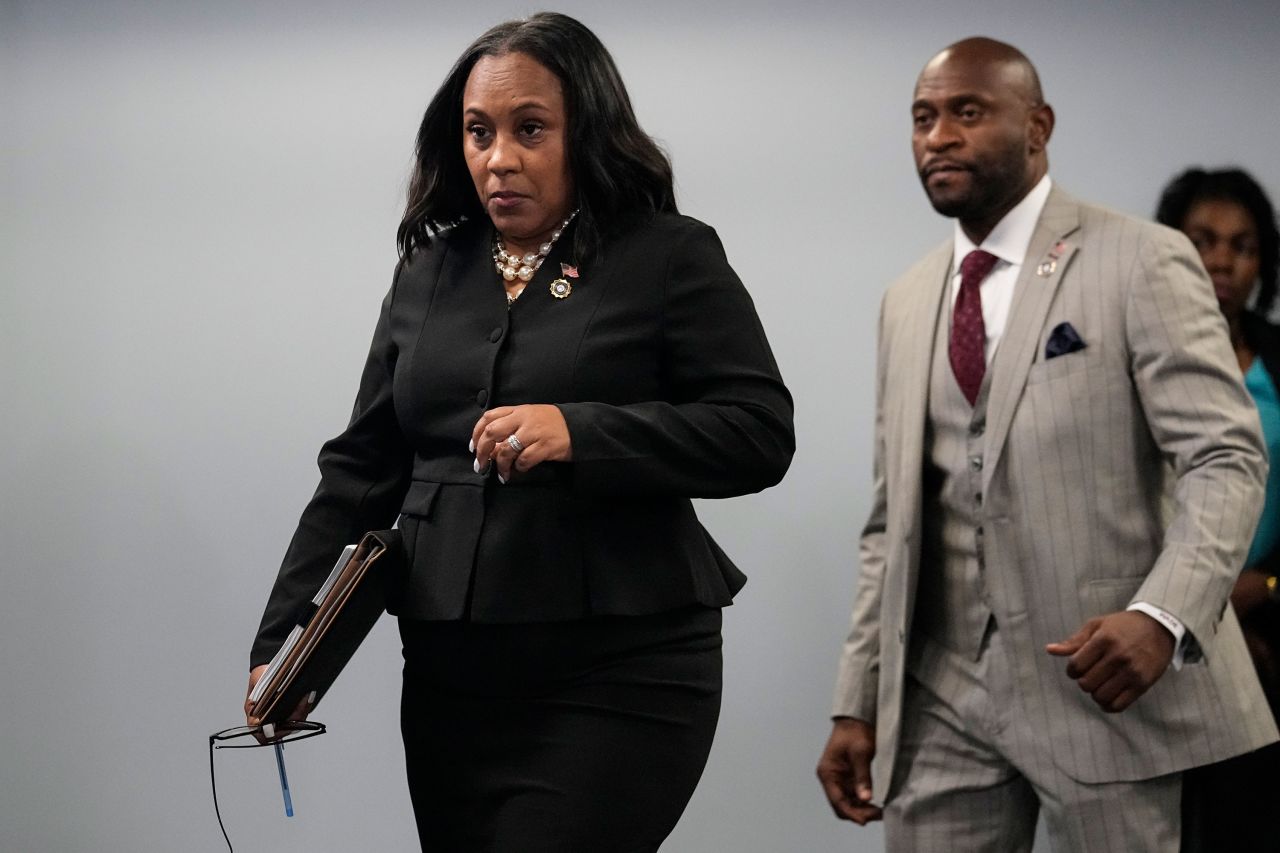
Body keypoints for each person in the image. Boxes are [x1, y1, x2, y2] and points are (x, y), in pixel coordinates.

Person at [243, 13, 794, 850]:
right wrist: (285, 643)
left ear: (588, 132)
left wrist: (582, 431)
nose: (499, 157)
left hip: (620, 670)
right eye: (478, 132)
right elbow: (361, 466)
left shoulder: (670, 256)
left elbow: (758, 432)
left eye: (530, 129)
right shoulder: (429, 271)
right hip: (451, 682)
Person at [816, 37, 1277, 852]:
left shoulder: (1142, 259)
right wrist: (859, 696)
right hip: (942, 696)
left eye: (968, 112)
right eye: (923, 118)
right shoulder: (908, 298)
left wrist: (1162, 614)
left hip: (1102, 684)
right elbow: (893, 522)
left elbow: (1226, 456)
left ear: (1038, 126)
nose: (939, 137)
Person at [1156, 167, 1280, 853]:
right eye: (1202, 240)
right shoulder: (1129, 348)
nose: (1222, 261)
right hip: (1158, 627)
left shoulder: (1275, 361)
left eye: (1242, 245)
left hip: (1268, 626)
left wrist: (1265, 585)